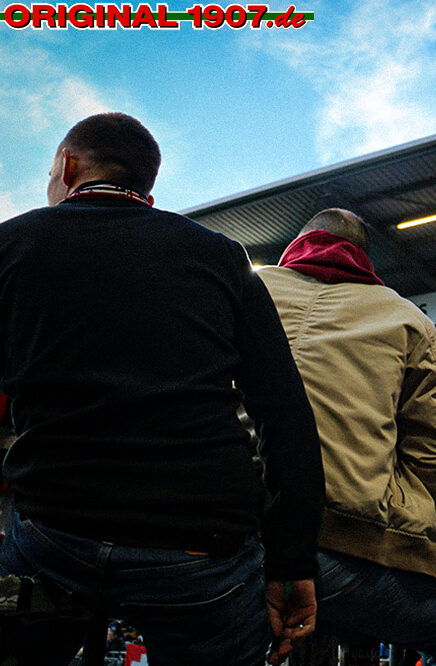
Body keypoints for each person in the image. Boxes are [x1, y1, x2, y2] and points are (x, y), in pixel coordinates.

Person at [0, 113, 323, 666]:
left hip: (56, 533)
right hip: (200, 544)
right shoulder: (222, 256)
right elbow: (285, 414)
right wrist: (293, 564)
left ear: (67, 166)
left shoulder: (12, 244)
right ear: (146, 186)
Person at [257, 209, 436, 666]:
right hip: (347, 538)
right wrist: (398, 522)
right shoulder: (405, 316)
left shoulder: (246, 290)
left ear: (296, 245)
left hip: (233, 533)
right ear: (364, 257)